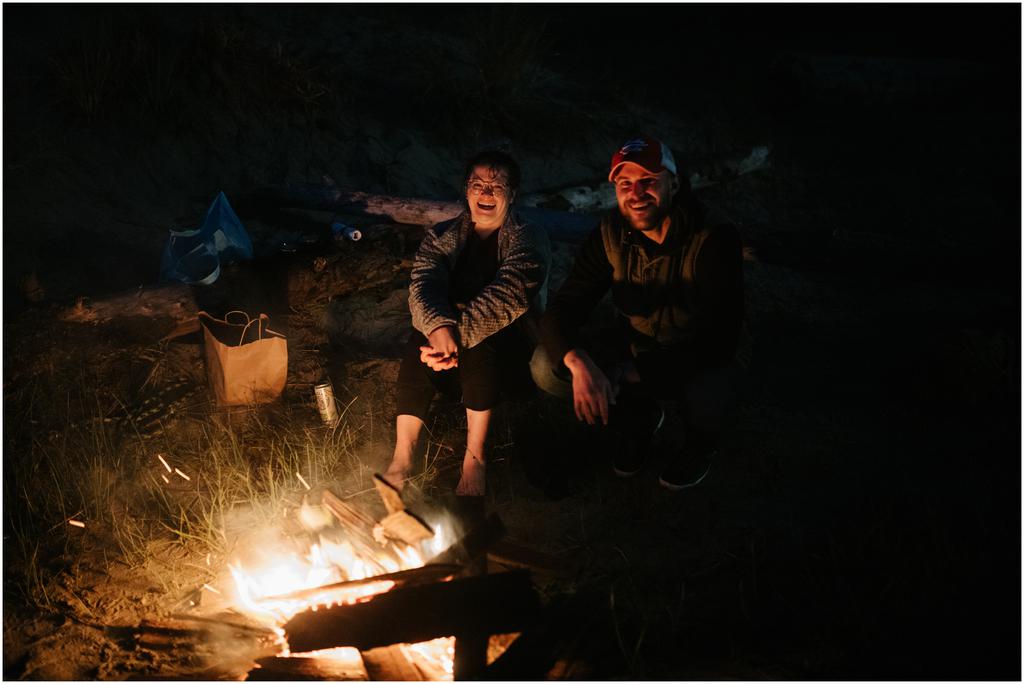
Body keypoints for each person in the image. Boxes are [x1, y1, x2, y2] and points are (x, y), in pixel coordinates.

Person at [531, 135, 745, 490]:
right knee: (545, 364)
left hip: (697, 353)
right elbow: (564, 307)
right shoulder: (612, 233)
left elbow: (721, 341)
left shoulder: (712, 237)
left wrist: (630, 372)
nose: (636, 193)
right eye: (625, 183)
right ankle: (638, 422)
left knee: (710, 388)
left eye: (648, 181)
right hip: (638, 343)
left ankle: (700, 445)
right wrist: (578, 361)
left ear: (673, 184)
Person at [384, 150, 550, 497]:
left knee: (481, 342)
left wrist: (452, 337)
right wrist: (438, 330)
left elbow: (510, 295)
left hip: (512, 341)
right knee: (420, 337)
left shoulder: (528, 236)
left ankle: (474, 460)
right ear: (466, 190)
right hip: (447, 345)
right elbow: (422, 285)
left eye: (496, 186)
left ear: (513, 194)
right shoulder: (443, 235)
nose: (486, 193)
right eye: (478, 185)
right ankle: (401, 460)